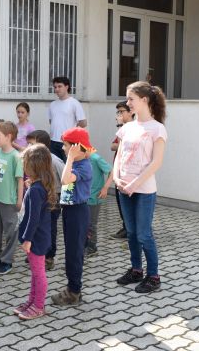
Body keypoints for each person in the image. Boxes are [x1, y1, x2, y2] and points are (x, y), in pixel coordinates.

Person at [113, 81, 167, 294]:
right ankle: (136, 270)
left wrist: (135, 183)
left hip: (143, 190)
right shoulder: (127, 128)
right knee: (132, 233)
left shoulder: (157, 128)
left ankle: (153, 276)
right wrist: (117, 179)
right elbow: (119, 156)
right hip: (123, 188)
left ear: (144, 100)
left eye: (131, 99)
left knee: (144, 234)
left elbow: (156, 162)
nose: (128, 103)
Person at [51, 127, 93, 306]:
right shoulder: (75, 164)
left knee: (74, 253)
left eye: (66, 146)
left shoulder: (83, 166)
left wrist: (69, 158)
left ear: (76, 148)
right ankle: (71, 287)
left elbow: (65, 180)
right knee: (70, 252)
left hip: (78, 212)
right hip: (69, 211)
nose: (62, 148)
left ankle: (74, 292)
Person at [13, 144, 55, 320]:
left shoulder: (37, 190)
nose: (23, 166)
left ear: (34, 165)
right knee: (35, 272)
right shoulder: (37, 186)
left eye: (25, 163)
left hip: (36, 239)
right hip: (37, 238)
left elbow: (33, 219)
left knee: (38, 273)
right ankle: (32, 301)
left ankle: (38, 306)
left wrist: (27, 239)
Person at [0, 121, 24, 275]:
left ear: (8, 137)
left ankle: (7, 261)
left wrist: (19, 200)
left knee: (11, 232)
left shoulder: (16, 156)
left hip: (9, 201)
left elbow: (19, 179)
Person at [25, 130, 64, 271]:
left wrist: (65, 198)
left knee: (50, 228)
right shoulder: (34, 159)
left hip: (53, 198)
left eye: (31, 144)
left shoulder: (54, 160)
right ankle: (38, 251)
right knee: (37, 225)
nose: (28, 146)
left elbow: (66, 177)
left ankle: (49, 256)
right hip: (39, 196)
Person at [48, 76, 87, 162]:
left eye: (59, 86)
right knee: (55, 169)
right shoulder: (52, 104)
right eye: (55, 87)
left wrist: (72, 130)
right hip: (53, 142)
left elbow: (83, 123)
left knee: (68, 168)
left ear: (67, 86)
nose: (57, 89)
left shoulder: (74, 103)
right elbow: (51, 122)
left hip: (68, 142)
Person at [111, 101, 134, 239]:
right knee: (120, 201)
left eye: (121, 112)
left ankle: (130, 228)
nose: (118, 115)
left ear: (131, 112)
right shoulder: (124, 128)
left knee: (127, 201)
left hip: (128, 171)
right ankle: (126, 226)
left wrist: (120, 126)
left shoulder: (131, 127)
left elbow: (121, 145)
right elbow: (112, 146)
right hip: (118, 169)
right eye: (117, 112)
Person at [85, 147, 112, 256]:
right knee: (84, 223)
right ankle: (84, 244)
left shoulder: (96, 158)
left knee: (91, 223)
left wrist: (105, 187)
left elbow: (111, 171)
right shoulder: (77, 158)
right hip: (83, 197)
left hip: (94, 197)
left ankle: (92, 247)